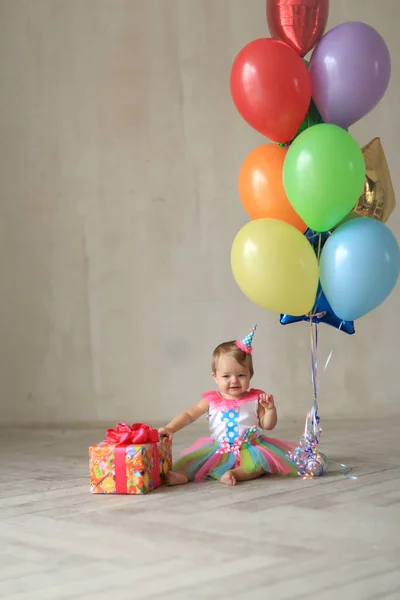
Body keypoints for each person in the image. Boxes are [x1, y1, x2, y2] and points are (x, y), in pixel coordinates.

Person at [158, 325, 297, 486]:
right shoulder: (212, 400)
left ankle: (234, 474)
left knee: (256, 466)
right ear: (215, 377)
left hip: (250, 448)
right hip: (219, 449)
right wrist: (170, 428)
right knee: (195, 463)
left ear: (250, 375)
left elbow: (268, 425)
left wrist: (270, 409)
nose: (234, 381)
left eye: (241, 375)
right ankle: (183, 475)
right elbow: (190, 415)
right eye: (226, 376)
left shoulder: (255, 398)